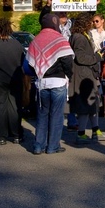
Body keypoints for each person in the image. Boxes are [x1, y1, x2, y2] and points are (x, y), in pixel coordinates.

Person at [28, 13, 74, 155]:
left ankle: (38, 146)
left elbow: (30, 63)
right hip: (58, 82)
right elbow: (67, 60)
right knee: (56, 115)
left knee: (42, 114)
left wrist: (38, 73)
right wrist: (69, 75)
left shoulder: (35, 40)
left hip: (41, 83)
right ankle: (52, 146)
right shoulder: (60, 39)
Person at [69, 12, 105, 144]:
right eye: (90, 21)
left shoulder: (83, 36)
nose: (92, 24)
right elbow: (81, 58)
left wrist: (99, 53)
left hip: (88, 74)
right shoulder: (79, 37)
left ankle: (96, 131)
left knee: (93, 104)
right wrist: (98, 57)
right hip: (83, 75)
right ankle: (81, 134)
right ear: (85, 23)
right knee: (85, 106)